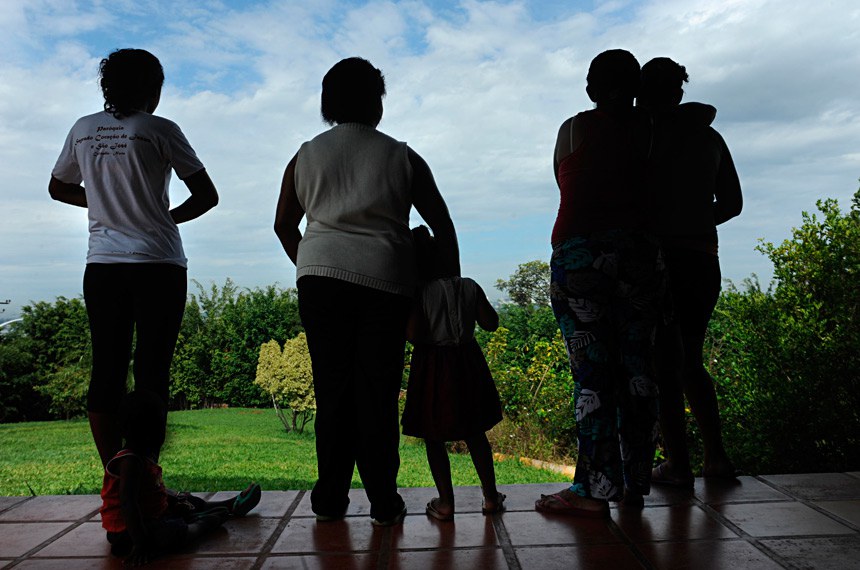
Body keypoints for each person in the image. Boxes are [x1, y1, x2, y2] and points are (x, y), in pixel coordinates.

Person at [274, 57, 459, 526]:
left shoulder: (304, 156)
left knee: (332, 389)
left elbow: (283, 225)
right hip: (386, 282)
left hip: (319, 281)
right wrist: (450, 290)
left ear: (328, 104)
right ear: (377, 102)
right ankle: (383, 501)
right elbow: (442, 225)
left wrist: (313, 264)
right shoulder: (402, 156)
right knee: (377, 393)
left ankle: (329, 500)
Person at [49, 49, 219, 468]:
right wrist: (162, 215)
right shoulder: (160, 129)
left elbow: (59, 187)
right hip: (159, 264)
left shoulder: (83, 129)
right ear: (153, 90)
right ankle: (146, 473)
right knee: (152, 369)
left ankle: (114, 474)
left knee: (106, 368)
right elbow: (207, 196)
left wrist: (103, 202)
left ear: (108, 88)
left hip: (103, 266)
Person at [534, 49, 665, 517]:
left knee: (592, 374)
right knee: (638, 369)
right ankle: (633, 483)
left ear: (590, 88)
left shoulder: (572, 129)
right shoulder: (653, 129)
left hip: (581, 254)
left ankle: (594, 490)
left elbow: (564, 181)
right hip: (639, 254)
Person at [638, 57, 743, 486]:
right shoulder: (709, 137)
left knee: (663, 365)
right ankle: (716, 457)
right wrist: (696, 221)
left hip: (659, 261)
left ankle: (677, 464)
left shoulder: (643, 137)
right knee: (691, 360)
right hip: (702, 258)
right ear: (679, 92)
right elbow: (733, 204)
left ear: (642, 94)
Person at [401, 226, 505, 521]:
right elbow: (491, 323)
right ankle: (490, 496)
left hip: (432, 366)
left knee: (433, 436)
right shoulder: (469, 286)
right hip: (468, 364)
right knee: (475, 432)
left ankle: (446, 502)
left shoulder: (418, 292)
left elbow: (414, 334)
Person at [101, 389, 261, 565]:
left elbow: (150, 490)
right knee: (170, 533)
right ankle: (201, 525)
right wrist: (140, 543)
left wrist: (175, 497)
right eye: (157, 427)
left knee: (186, 501)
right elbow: (128, 504)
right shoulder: (130, 462)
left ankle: (228, 505)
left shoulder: (141, 457)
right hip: (128, 532)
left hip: (152, 516)